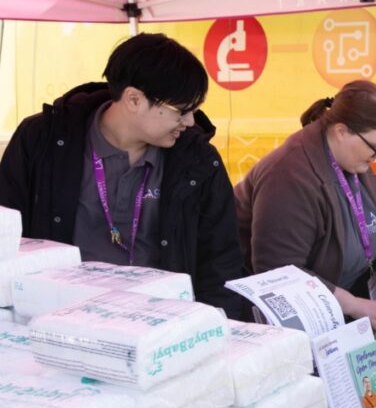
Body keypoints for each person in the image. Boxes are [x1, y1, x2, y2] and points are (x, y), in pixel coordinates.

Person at [0, 33, 247, 318]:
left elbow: (221, 262)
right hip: (56, 318)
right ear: (133, 99)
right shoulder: (43, 139)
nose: (190, 122)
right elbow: (8, 237)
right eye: (181, 111)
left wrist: (215, 330)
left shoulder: (199, 160)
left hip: (161, 326)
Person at [235, 80, 376, 336]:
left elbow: (359, 217)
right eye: (375, 148)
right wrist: (354, 304)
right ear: (341, 131)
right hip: (282, 325)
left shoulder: (353, 158)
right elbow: (279, 272)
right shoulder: (287, 176)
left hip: (334, 312)